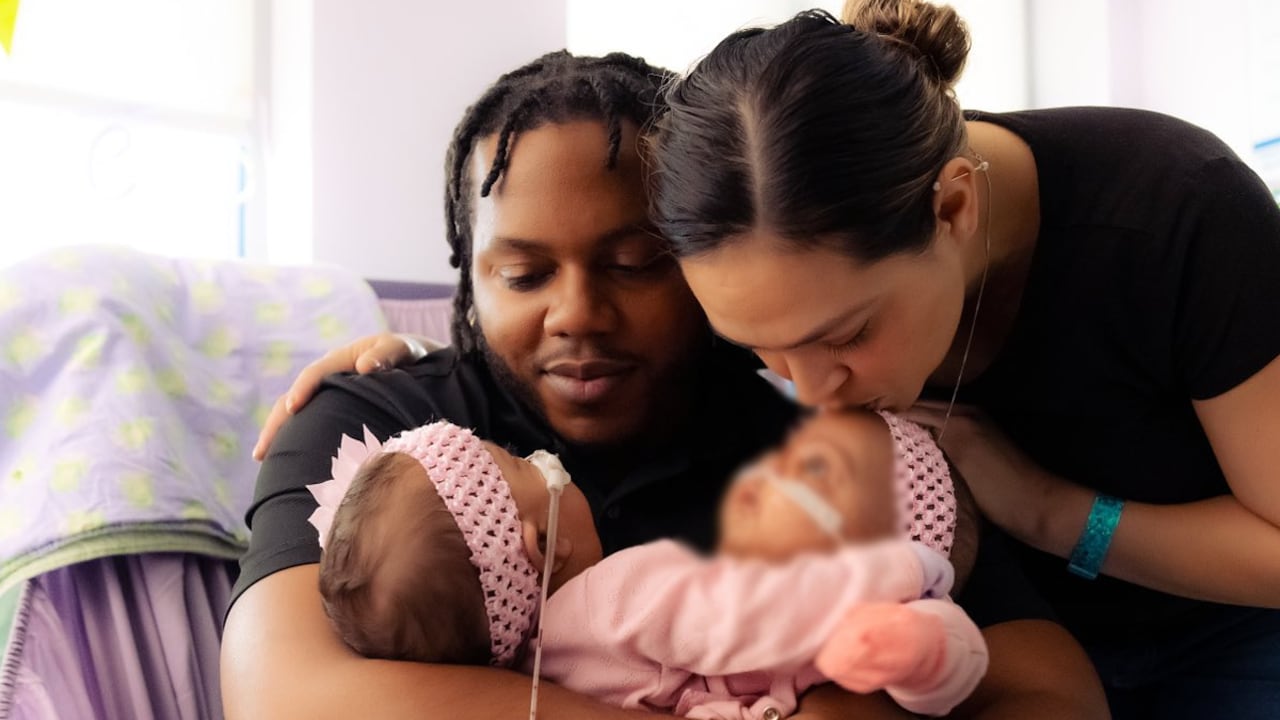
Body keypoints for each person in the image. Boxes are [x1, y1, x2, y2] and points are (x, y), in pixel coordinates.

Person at [225, 49, 1108, 719]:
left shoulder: (815, 443)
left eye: (635, 263)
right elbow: (286, 692)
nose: (577, 313)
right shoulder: (380, 424)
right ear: (468, 281)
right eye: (524, 276)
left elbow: (1056, 690)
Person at [636, 1, 1280, 717]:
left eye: (847, 336)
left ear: (953, 208)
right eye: (761, 348)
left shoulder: (1176, 212)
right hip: (976, 646)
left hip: (1225, 635)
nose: (815, 392)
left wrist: (1046, 510)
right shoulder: (758, 273)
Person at [310, 414, 987, 718]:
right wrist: (898, 571)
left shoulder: (530, 661)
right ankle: (922, 652)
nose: (546, 461)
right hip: (807, 645)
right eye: (523, 464)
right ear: (543, 547)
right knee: (929, 642)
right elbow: (737, 618)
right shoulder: (616, 594)